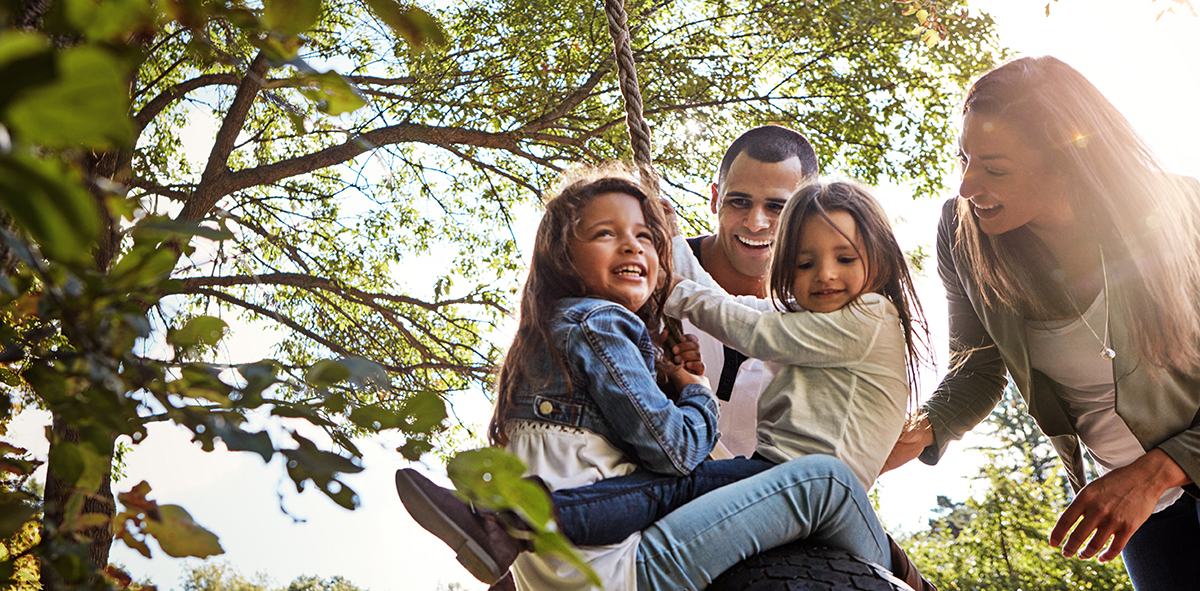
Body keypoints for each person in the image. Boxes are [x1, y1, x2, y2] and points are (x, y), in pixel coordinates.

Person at [396, 168, 899, 591]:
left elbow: (758, 329)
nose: (825, 275)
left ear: (878, 256)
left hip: (816, 504)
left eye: (845, 258)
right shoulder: (597, 325)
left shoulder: (871, 315)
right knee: (673, 486)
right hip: (639, 554)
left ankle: (511, 518)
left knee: (785, 478)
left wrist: (676, 295)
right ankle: (509, 519)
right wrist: (690, 378)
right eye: (806, 263)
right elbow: (746, 323)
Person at [883, 56, 1200, 590]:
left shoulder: (1181, 212)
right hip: (1137, 510)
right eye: (964, 158)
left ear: (1069, 161)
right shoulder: (963, 239)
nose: (966, 186)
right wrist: (902, 440)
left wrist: (1157, 471)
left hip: (1152, 481)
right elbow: (975, 371)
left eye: (994, 168)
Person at [684, 124, 819, 457]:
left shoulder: (824, 305)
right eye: (739, 202)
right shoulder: (655, 273)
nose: (755, 223)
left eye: (776, 207)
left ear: (807, 213)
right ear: (715, 199)